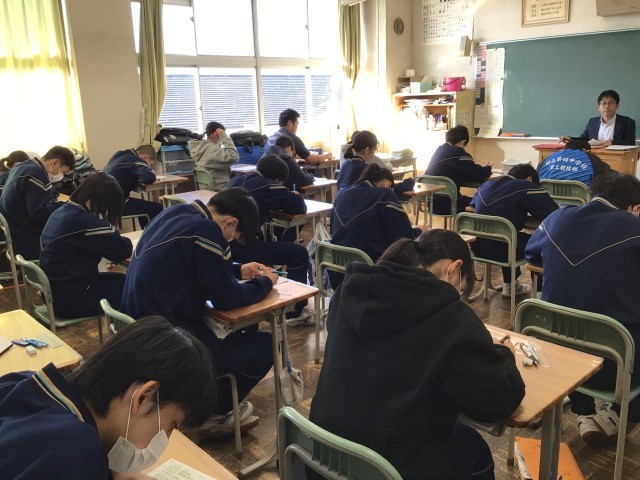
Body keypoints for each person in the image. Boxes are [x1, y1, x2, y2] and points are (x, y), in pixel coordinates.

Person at [310, 230, 525, 480]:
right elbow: (500, 400)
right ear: (454, 269)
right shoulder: (450, 318)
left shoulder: (348, 291)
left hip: (322, 458)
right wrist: (503, 352)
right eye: (461, 291)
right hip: (386, 470)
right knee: (474, 448)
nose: (458, 299)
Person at [121, 188, 279, 435]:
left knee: (236, 332)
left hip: (139, 329)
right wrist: (266, 282)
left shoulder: (175, 213)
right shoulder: (208, 232)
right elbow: (227, 298)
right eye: (235, 237)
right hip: (167, 341)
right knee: (266, 346)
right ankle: (212, 413)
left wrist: (238, 270)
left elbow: (192, 265)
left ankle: (200, 394)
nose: (230, 242)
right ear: (231, 223)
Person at [0, 316, 216, 479]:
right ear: (143, 397)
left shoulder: (24, 382)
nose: (165, 440)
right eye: (171, 426)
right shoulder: (75, 449)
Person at [525, 170, 640, 446]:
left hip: (554, 356)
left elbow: (531, 255)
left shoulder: (556, 218)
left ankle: (585, 411)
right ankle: (621, 413)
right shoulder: (635, 229)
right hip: (617, 368)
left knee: (575, 312)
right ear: (635, 208)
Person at [227, 154, 313, 326]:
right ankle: (296, 310)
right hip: (244, 248)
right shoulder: (267, 186)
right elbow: (299, 206)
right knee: (299, 253)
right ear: (277, 179)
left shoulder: (237, 180)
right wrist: (293, 194)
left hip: (227, 246)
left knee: (270, 240)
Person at [40, 172, 133, 318]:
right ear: (103, 201)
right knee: (134, 287)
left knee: (124, 281)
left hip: (55, 293)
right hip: (73, 299)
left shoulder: (62, 211)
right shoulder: (84, 222)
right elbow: (124, 249)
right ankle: (132, 329)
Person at [330, 163, 428, 288]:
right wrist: (419, 230)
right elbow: (403, 238)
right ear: (388, 185)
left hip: (336, 272)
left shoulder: (341, 194)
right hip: (370, 274)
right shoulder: (385, 195)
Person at [470, 164, 558, 296]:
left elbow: (472, 205)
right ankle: (540, 292)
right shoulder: (525, 185)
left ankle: (510, 285)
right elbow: (553, 213)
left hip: (478, 248)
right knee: (539, 242)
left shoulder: (486, 185)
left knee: (508, 236)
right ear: (529, 179)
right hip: (505, 251)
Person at [0, 146, 75, 259]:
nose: (62, 176)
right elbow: (40, 213)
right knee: (71, 239)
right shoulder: (36, 173)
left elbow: (48, 195)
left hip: (13, 232)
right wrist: (67, 206)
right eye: (63, 172)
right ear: (55, 163)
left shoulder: (23, 167)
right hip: (25, 239)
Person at [425, 125, 493, 214]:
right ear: (463, 143)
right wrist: (488, 168)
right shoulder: (458, 152)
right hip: (449, 204)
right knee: (484, 203)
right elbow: (477, 173)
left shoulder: (439, 150)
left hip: (430, 203)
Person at [104, 145, 162, 228]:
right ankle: (152, 234)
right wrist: (150, 171)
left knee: (144, 207)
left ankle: (145, 232)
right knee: (157, 208)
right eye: (150, 164)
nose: (149, 166)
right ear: (147, 157)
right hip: (116, 204)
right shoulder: (135, 160)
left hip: (102, 203)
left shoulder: (119, 155)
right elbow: (148, 177)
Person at [564, 89, 636, 147]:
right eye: (604, 103)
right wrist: (570, 139)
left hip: (617, 157)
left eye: (611, 103)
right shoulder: (592, 122)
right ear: (599, 107)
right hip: (595, 156)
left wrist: (612, 142)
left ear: (617, 106)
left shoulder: (628, 122)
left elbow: (630, 142)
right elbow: (583, 139)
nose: (607, 106)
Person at [265, 108, 333, 165]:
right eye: (297, 122)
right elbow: (311, 159)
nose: (297, 126)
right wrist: (327, 156)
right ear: (290, 123)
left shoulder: (271, 137)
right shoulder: (291, 138)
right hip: (281, 174)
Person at [188, 121, 239, 192]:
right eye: (222, 134)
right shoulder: (212, 149)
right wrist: (224, 137)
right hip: (221, 190)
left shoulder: (201, 148)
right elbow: (234, 156)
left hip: (207, 190)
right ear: (216, 134)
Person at [538, 138, 610, 186]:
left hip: (549, 200)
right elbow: (607, 176)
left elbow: (536, 176)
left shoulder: (550, 157)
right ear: (587, 151)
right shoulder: (590, 158)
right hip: (580, 202)